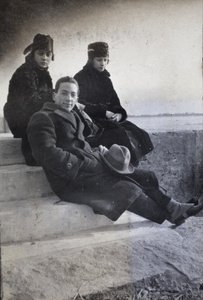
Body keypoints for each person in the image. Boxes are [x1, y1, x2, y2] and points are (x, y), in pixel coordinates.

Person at [27, 76, 203, 226]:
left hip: (89, 169)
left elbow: (80, 142)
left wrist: (96, 150)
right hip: (70, 179)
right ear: (54, 95)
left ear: (77, 97)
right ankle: (169, 216)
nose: (69, 98)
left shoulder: (74, 115)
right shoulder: (43, 118)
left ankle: (174, 207)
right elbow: (45, 152)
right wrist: (84, 161)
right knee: (126, 187)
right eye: (64, 93)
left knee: (142, 175)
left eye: (73, 94)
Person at [74, 42, 154, 166]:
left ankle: (131, 165)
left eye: (105, 60)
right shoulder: (80, 78)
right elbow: (80, 105)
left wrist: (118, 115)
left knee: (139, 133)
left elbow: (116, 103)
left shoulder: (106, 80)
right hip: (91, 120)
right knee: (119, 134)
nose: (102, 63)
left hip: (108, 119)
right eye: (99, 59)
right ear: (91, 60)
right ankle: (127, 166)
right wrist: (104, 112)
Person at [4, 33, 54, 165]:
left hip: (36, 115)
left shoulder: (44, 74)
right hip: (20, 118)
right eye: (41, 53)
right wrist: (54, 97)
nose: (44, 57)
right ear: (33, 54)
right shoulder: (24, 73)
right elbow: (32, 104)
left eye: (48, 54)